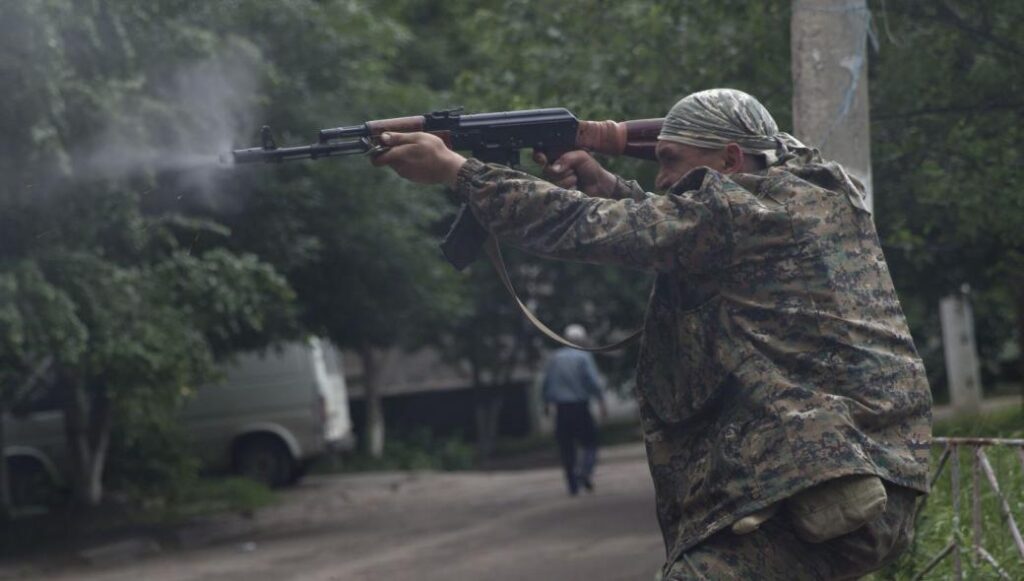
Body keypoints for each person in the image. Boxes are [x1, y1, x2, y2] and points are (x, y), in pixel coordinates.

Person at [371, 89, 931, 580]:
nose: (661, 179)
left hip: (826, 487)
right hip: (841, 476)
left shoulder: (743, 214)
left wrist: (458, 171)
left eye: (670, 161)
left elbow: (583, 227)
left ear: (732, 159)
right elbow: (685, 229)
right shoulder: (798, 191)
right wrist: (608, 177)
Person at [541, 324, 608, 496]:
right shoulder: (583, 357)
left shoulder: (554, 358)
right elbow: (592, 382)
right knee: (590, 443)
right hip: (580, 407)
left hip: (562, 409)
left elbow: (546, 383)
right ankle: (584, 473)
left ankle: (572, 485)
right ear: (581, 339)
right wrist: (601, 402)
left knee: (566, 447)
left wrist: (546, 405)